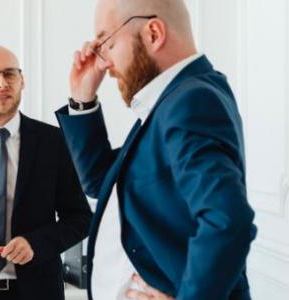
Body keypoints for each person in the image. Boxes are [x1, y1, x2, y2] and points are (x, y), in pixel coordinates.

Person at [55, 0, 257, 299]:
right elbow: (101, 181)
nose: (104, 62)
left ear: (153, 33)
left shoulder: (191, 101)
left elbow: (227, 221)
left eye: (106, 43)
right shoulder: (172, 103)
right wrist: (82, 98)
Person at [0, 45, 91, 300]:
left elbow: (80, 219)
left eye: (10, 74)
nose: (2, 83)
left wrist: (36, 244)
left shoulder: (55, 142)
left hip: (39, 291)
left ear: (22, 81)